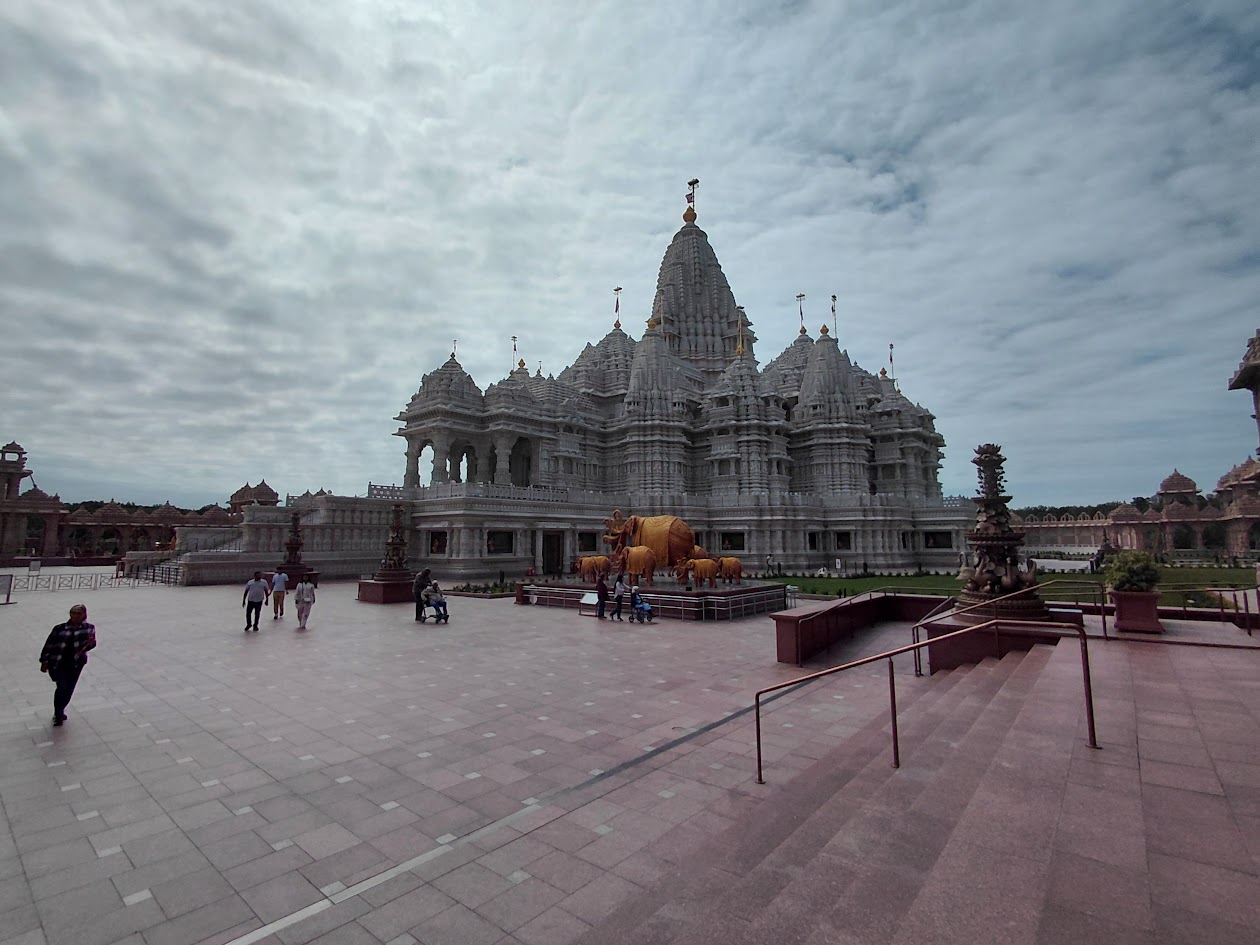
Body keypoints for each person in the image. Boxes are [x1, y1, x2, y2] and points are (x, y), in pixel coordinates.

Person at [39, 603, 97, 726]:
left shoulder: (89, 628)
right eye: (72, 613)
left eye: (78, 613)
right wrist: (44, 660)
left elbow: (90, 645)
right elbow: (49, 644)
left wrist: (91, 643)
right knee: (62, 687)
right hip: (58, 662)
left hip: (76, 663)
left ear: (84, 615)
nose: (75, 616)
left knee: (69, 689)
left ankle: (59, 712)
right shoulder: (59, 628)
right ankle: (58, 713)